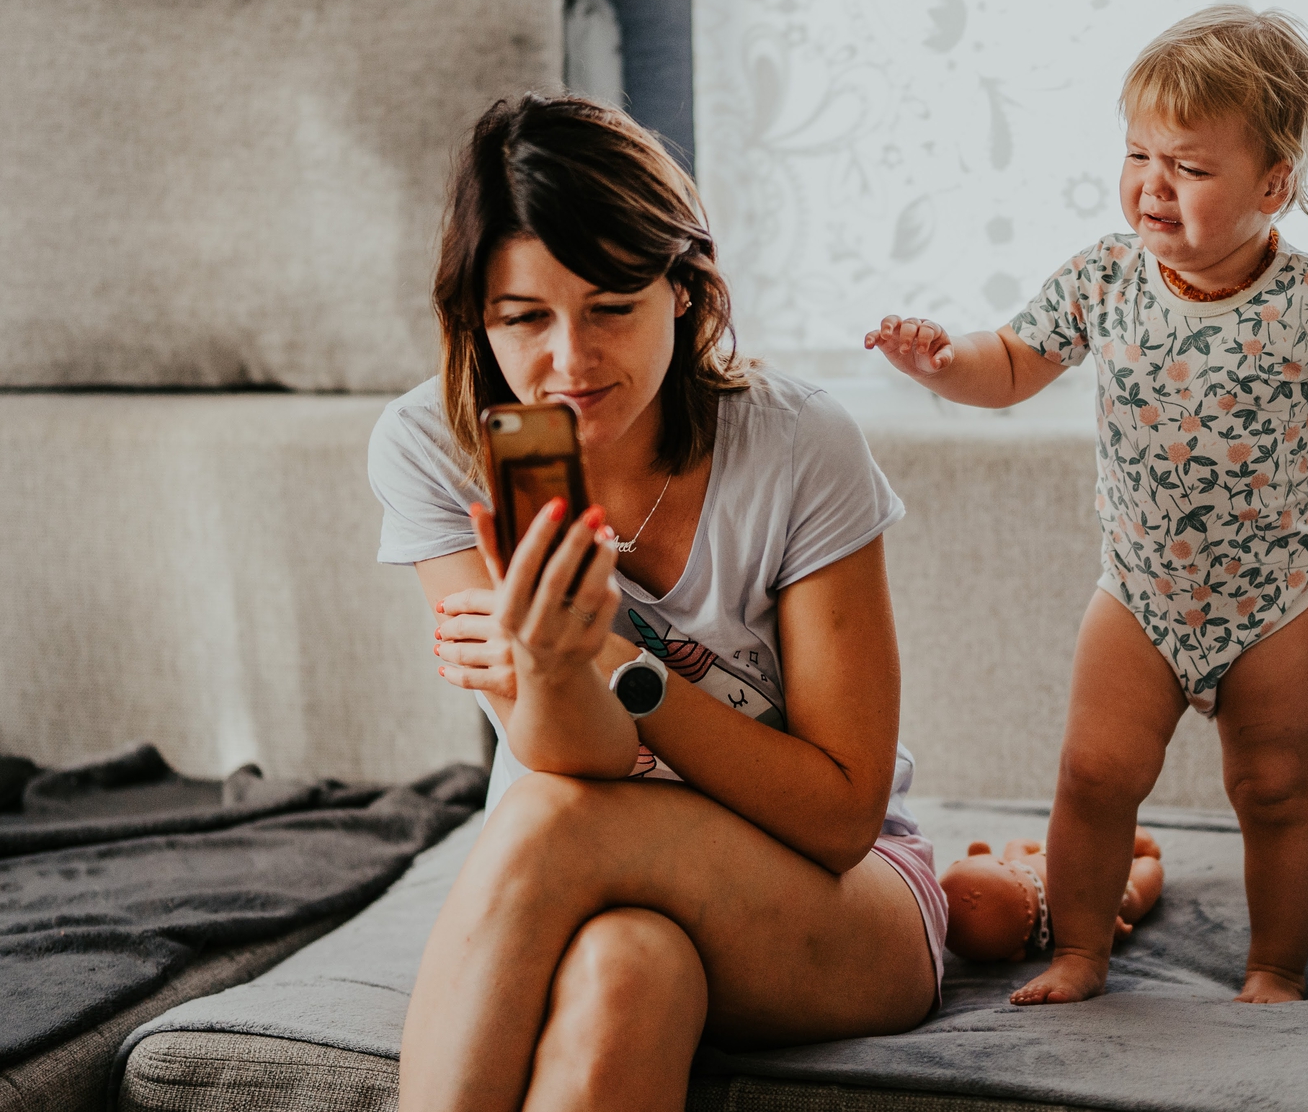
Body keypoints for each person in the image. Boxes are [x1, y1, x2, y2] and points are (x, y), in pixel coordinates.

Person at [369, 94, 943, 1112]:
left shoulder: (799, 444)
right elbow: (576, 760)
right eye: (524, 319)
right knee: (625, 969)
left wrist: (615, 657)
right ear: (477, 319)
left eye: (610, 307)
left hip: (829, 899)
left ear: (683, 290)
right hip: (586, 887)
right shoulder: (433, 447)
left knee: (551, 822)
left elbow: (841, 812)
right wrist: (552, 669)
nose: (569, 361)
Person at [863, 5, 1308, 1006]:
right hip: (1137, 594)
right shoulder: (1105, 277)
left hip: (1275, 603)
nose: (1151, 185)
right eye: (1137, 153)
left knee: (1274, 793)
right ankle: (1081, 949)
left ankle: (1275, 968)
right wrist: (943, 362)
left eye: (1188, 166)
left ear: (1274, 184)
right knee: (1091, 777)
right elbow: (1008, 364)